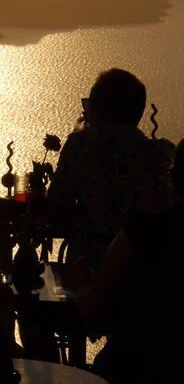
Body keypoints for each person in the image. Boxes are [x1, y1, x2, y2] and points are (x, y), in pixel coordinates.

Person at [72, 136, 182, 384]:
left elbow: (93, 307)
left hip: (131, 367)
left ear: (175, 177)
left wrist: (80, 285)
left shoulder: (141, 231)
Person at [47, 68, 174, 271]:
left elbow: (58, 206)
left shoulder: (81, 145)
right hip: (147, 267)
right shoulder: (163, 152)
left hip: (88, 265)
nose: (85, 111)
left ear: (100, 108)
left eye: (89, 105)